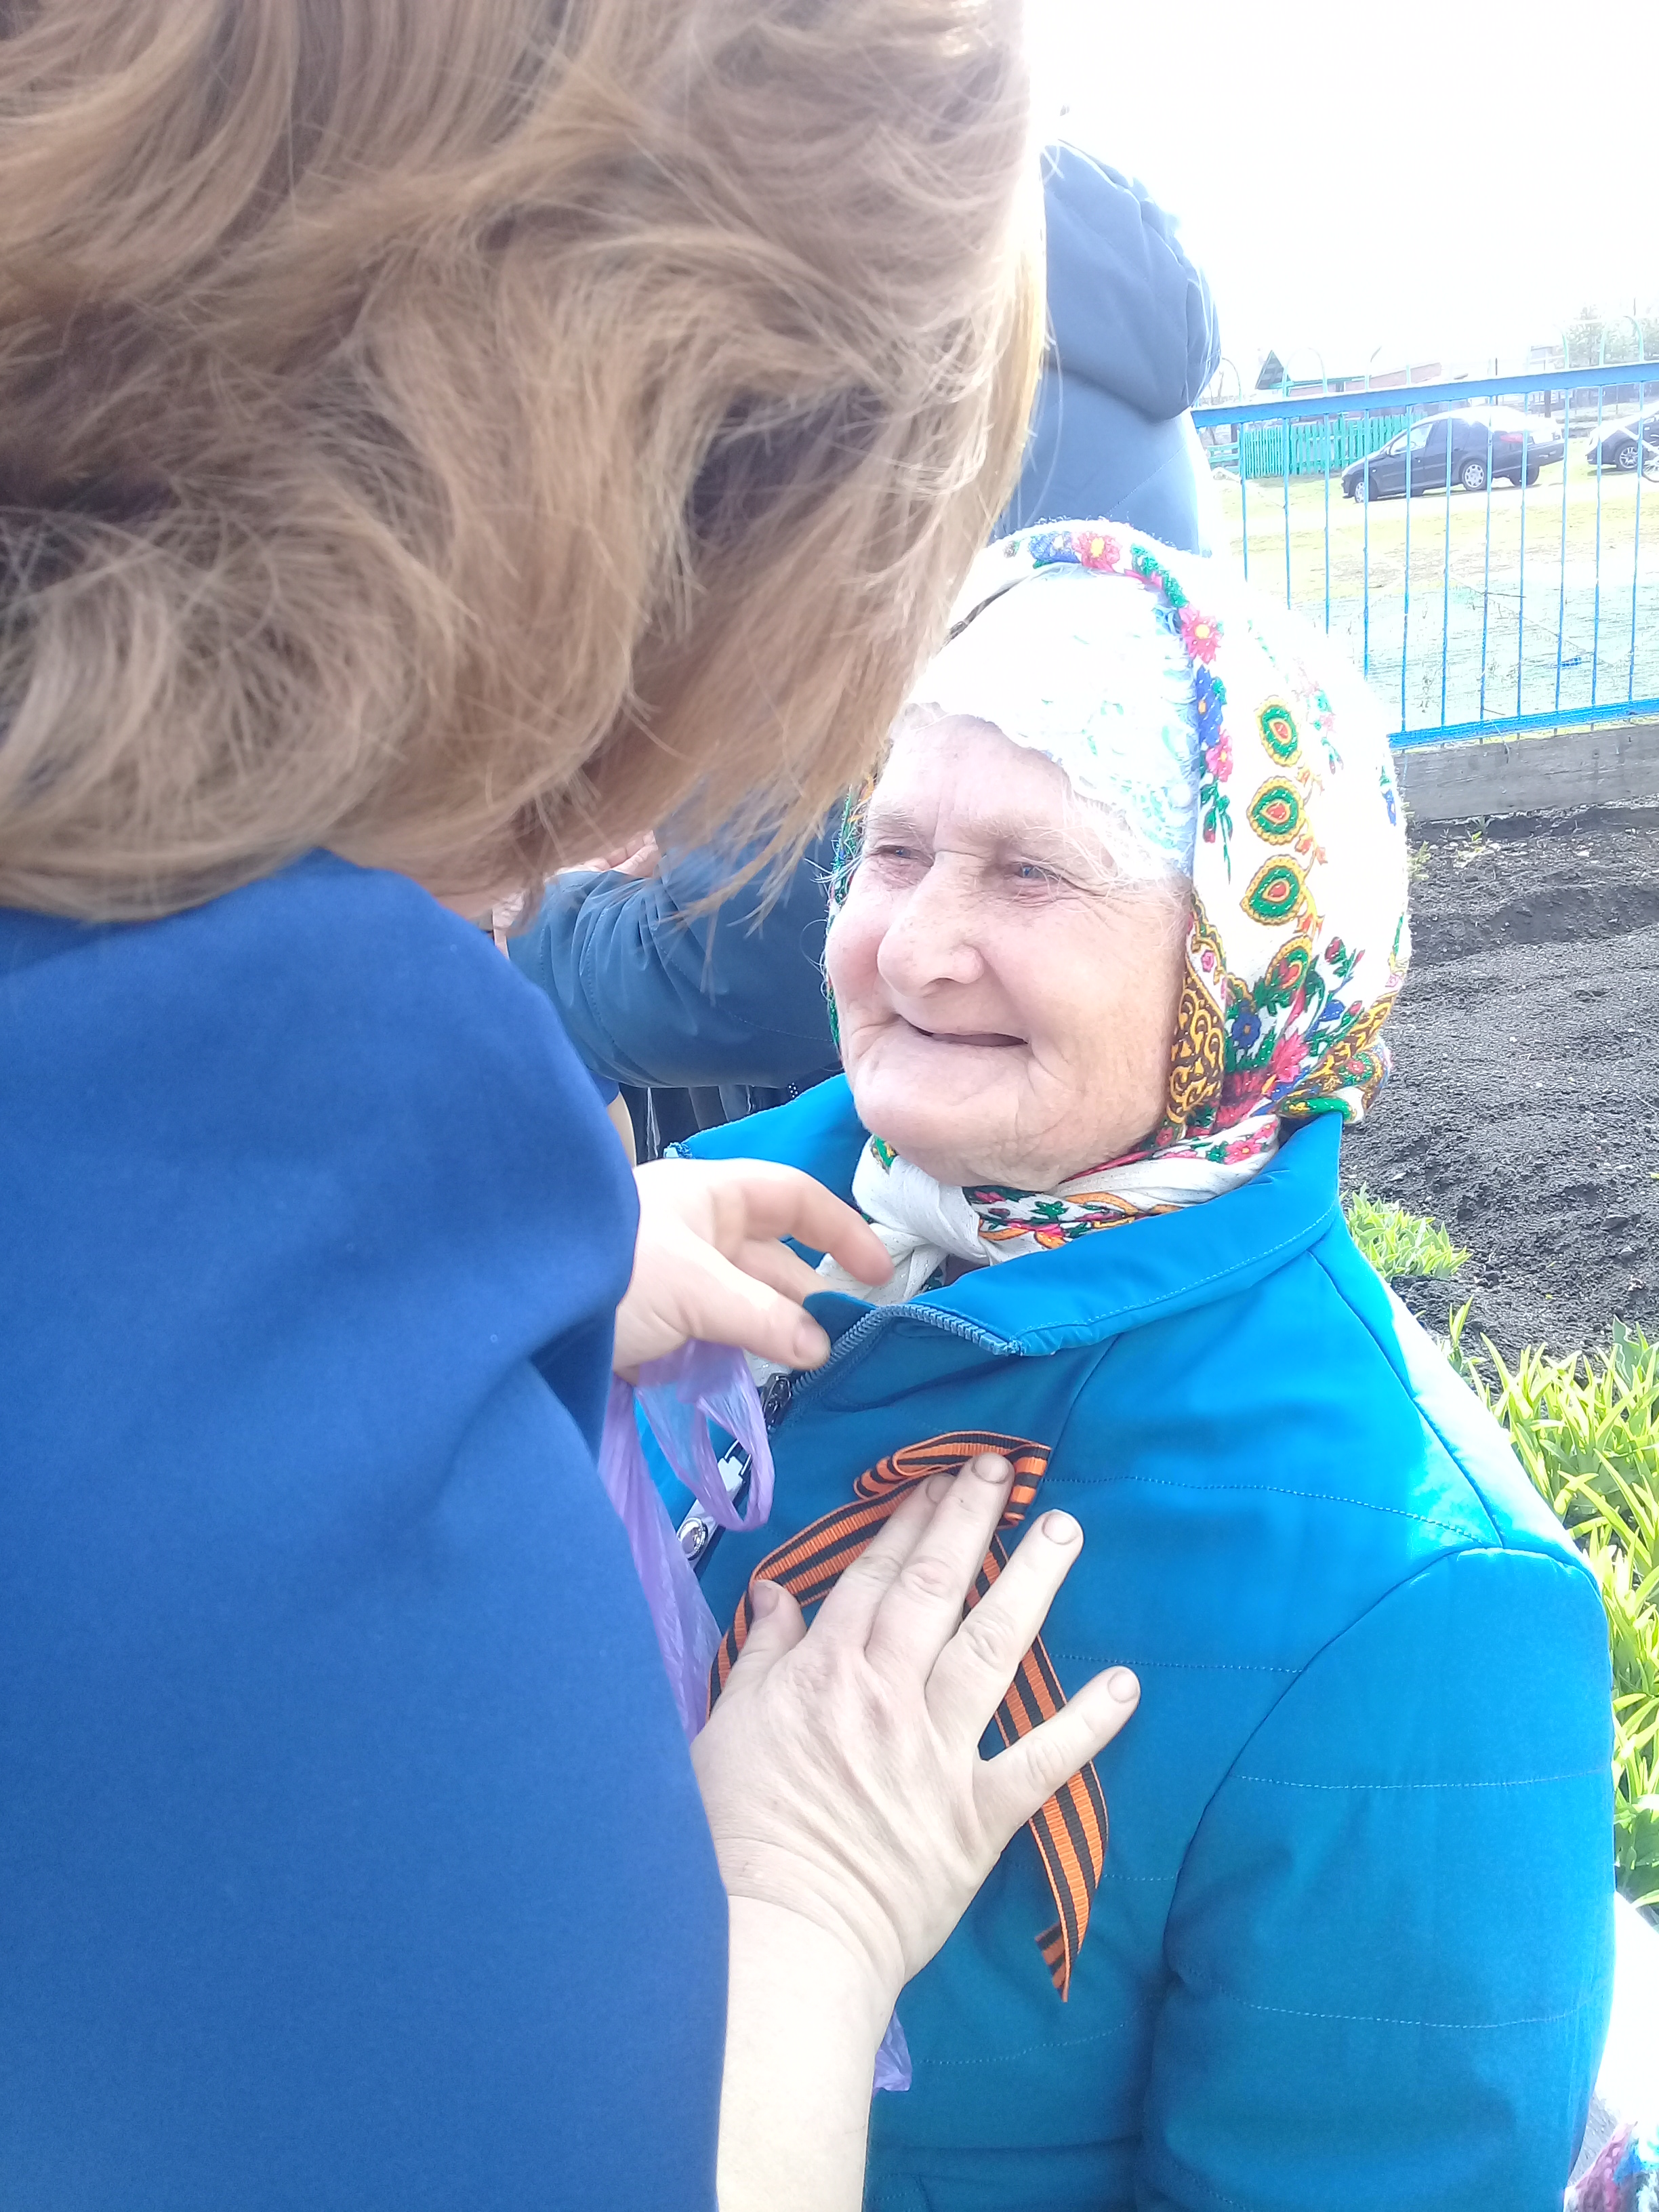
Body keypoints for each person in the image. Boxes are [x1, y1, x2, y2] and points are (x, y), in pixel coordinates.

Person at [0, 9, 1146, 2210]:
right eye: (883, 843)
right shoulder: (275, 1199)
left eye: (1029, 871)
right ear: (666, 466)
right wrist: (802, 1914)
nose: (632, 833)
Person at [683, 522, 1616, 2211]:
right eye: (893, 852)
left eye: (1030, 875)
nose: (912, 946)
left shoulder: (1420, 1600)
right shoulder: (674, 1254)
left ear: (1241, 967)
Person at [506, 143, 1223, 1145]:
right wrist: (689, 830)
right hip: (1139, 1085)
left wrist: (542, 933)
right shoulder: (1083, 320)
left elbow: (756, 962)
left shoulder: (823, 383)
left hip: (923, 1131)